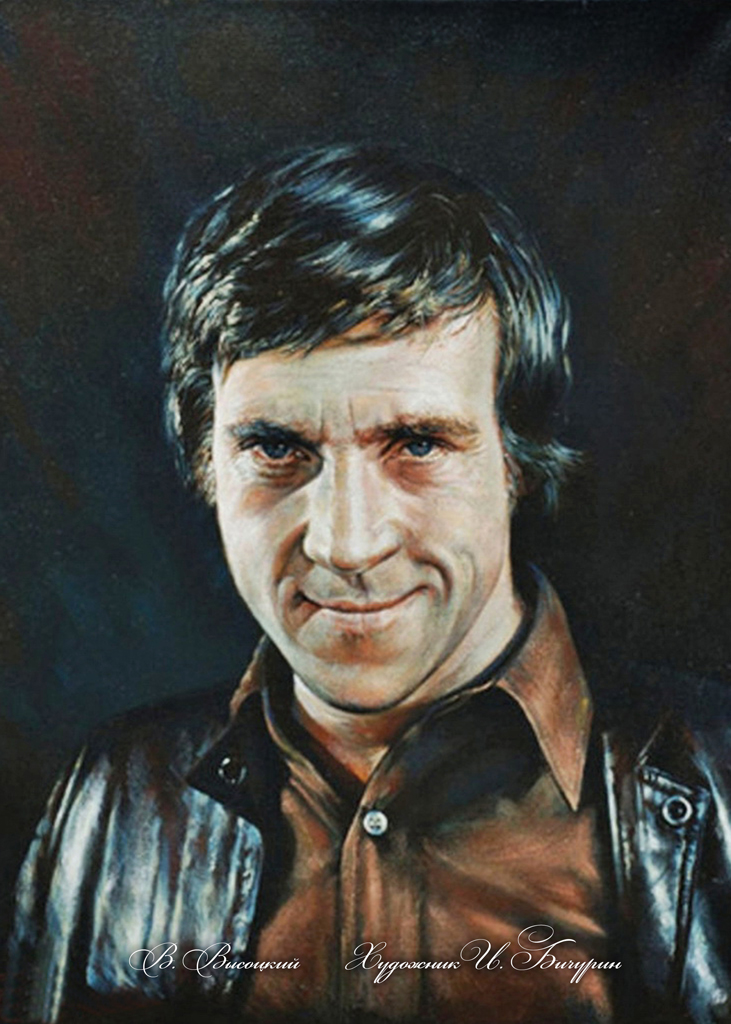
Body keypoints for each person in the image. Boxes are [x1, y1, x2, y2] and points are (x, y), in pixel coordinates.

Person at [4, 145, 730, 1024]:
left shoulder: (711, 784)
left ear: (516, 461)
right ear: (205, 463)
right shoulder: (117, 791)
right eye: (276, 448)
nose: (346, 544)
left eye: (417, 444)